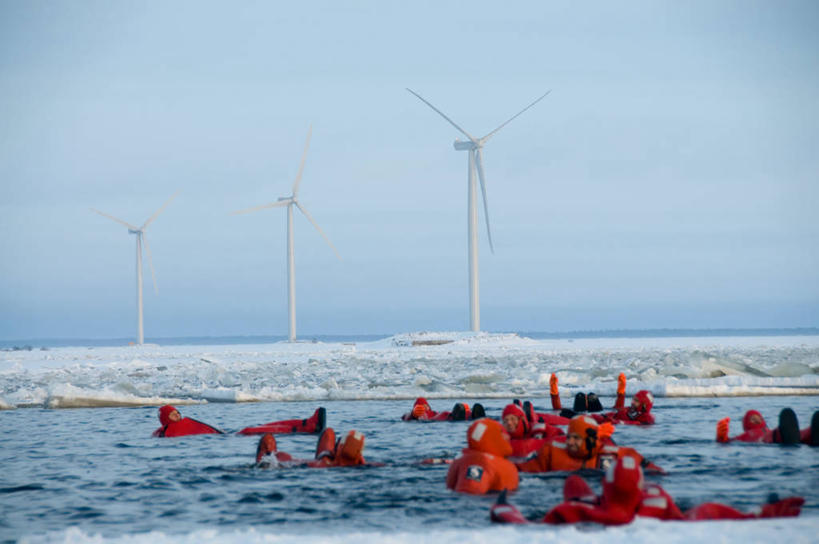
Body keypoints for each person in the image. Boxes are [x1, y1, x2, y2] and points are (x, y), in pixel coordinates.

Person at [490, 456, 804, 525]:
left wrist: (504, 505)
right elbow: (705, 512)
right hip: (651, 508)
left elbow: (522, 526)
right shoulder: (655, 496)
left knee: (573, 482)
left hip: (592, 503)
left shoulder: (578, 507)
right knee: (703, 509)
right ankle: (760, 514)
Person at [514, 415, 663, 473]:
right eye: (569, 437)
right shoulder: (551, 452)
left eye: (576, 438)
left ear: (590, 440)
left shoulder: (616, 454)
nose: (570, 442)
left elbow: (655, 473)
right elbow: (523, 469)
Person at [446, 418, 519, 494]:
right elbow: (469, 492)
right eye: (501, 433)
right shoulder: (480, 463)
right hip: (487, 501)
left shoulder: (467, 459)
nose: (507, 437)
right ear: (492, 438)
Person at [552, 373, 655, 425]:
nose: (632, 402)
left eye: (636, 401)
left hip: (604, 421)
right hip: (601, 417)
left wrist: (612, 421)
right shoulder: (629, 410)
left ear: (644, 404)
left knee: (588, 399)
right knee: (581, 397)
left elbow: (634, 424)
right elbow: (617, 409)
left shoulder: (646, 417)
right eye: (633, 399)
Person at [717, 408, 819, 446]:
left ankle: (811, 434)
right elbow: (730, 441)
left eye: (759, 418)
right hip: (771, 438)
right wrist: (721, 436)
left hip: (785, 434)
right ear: (747, 424)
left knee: (804, 432)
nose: (757, 420)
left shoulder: (767, 428)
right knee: (785, 417)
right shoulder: (746, 435)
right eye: (753, 419)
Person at [237, 407, 326, 435]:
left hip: (231, 434)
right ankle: (307, 428)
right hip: (236, 435)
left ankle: (307, 423)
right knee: (247, 431)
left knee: (262, 426)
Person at [152, 405, 223, 437]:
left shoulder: (188, 423)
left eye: (178, 413)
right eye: (173, 415)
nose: (177, 416)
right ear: (165, 418)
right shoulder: (162, 432)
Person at [401, 397, 486, 421]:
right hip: (440, 418)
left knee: (449, 414)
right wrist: (413, 414)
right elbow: (405, 417)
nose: (424, 406)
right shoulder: (416, 414)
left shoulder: (432, 412)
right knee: (449, 415)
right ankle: (463, 414)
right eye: (421, 404)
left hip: (443, 415)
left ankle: (472, 415)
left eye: (425, 404)